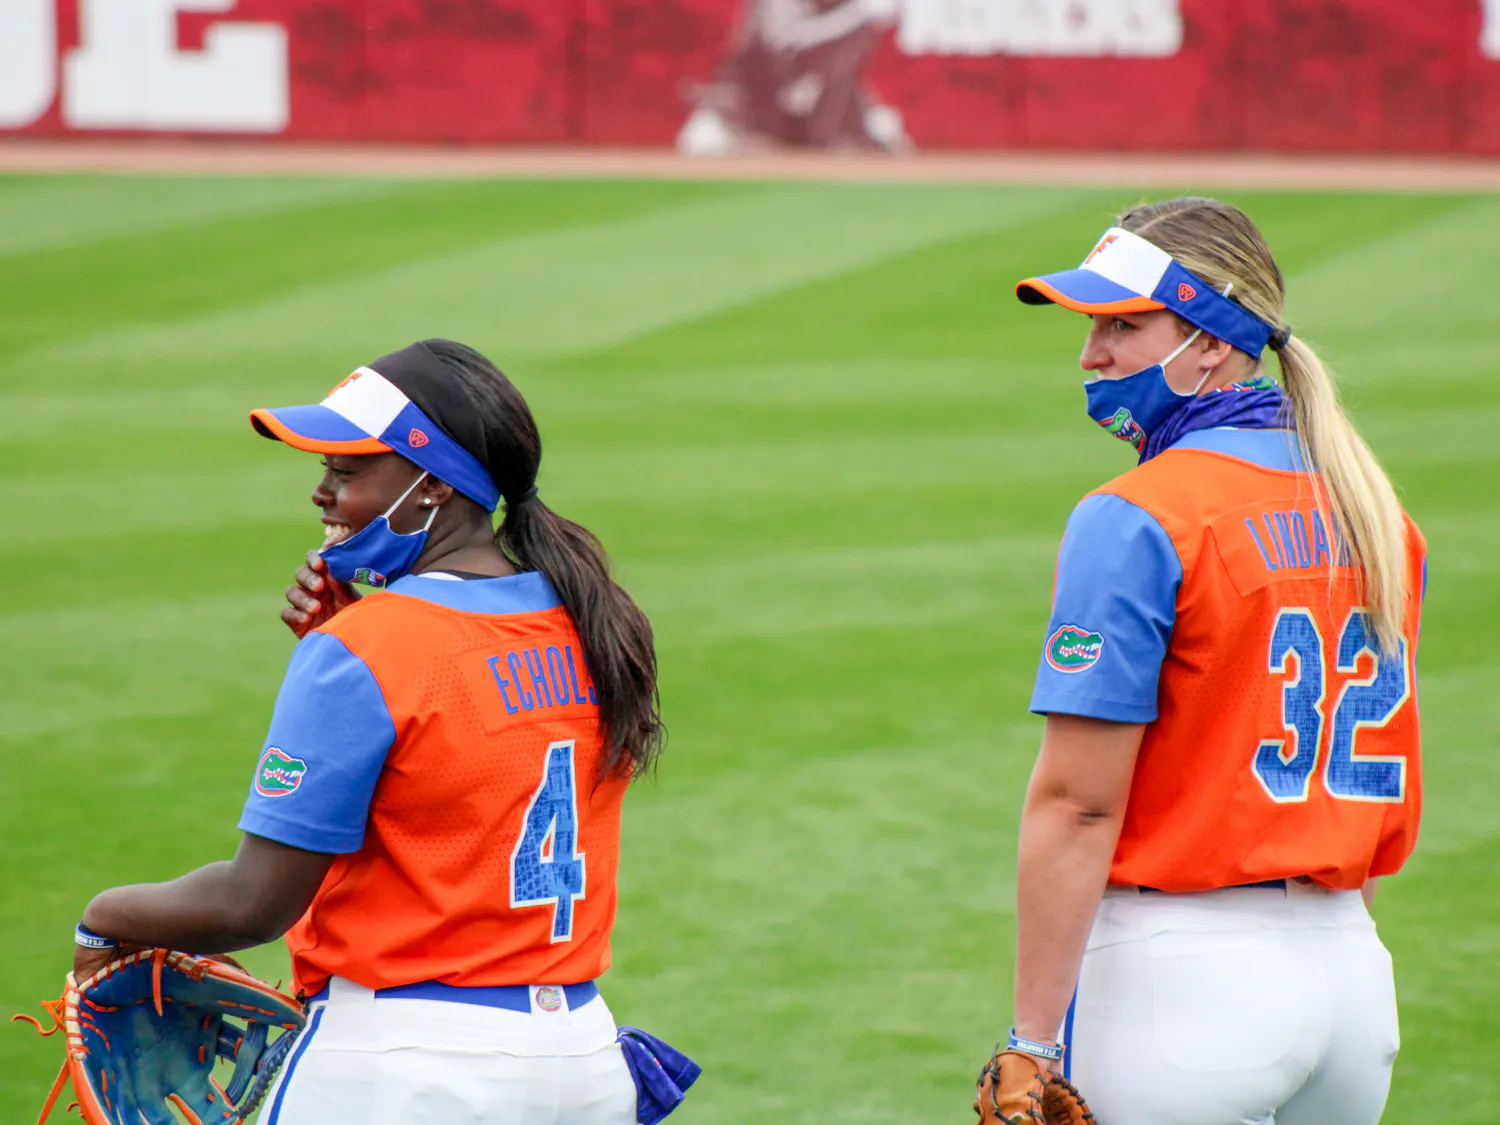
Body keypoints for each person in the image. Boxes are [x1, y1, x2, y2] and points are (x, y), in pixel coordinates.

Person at [69, 339, 695, 1125]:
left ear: (431, 485)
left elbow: (253, 904)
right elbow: (462, 745)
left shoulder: (367, 649)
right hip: (580, 1064)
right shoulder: (593, 622)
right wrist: (350, 642)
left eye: (346, 471)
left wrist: (104, 919)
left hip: (404, 1073)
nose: (322, 494)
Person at [995, 198, 1425, 1125]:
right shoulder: (1372, 509)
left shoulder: (1138, 512)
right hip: (1351, 982)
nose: (1091, 355)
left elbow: (1079, 802)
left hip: (1179, 988)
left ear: (1209, 341)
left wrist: (1030, 1042)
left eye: (1123, 326)